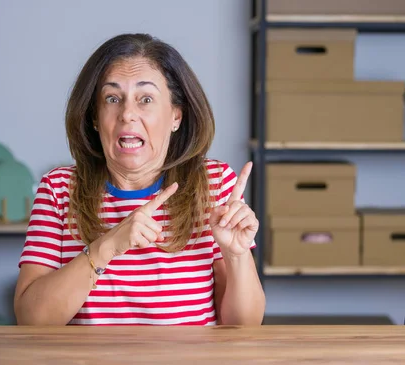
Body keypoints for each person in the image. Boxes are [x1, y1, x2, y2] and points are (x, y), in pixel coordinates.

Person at [13, 33, 266, 326]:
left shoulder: (214, 183)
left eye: (145, 99)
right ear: (95, 117)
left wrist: (236, 256)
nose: (127, 114)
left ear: (176, 116)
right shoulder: (58, 190)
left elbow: (243, 327)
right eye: (112, 98)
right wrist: (106, 247)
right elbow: (31, 320)